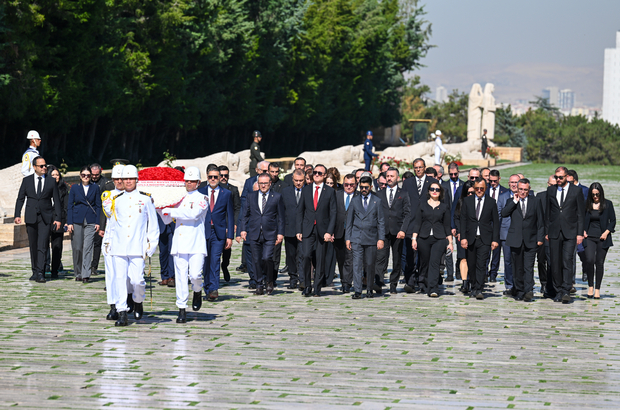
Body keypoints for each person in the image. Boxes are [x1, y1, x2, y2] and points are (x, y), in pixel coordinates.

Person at [109, 165, 159, 326]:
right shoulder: (116, 200)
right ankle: (122, 311)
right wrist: (109, 242)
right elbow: (113, 224)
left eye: (131, 178)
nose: (128, 181)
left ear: (137, 180)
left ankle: (138, 300)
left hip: (138, 247)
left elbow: (153, 225)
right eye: (125, 179)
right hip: (119, 246)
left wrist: (151, 245)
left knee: (137, 280)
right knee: (120, 280)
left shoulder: (145, 199)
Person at [159, 167, 209, 323]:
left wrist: (170, 211)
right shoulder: (178, 198)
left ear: (198, 182)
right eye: (187, 181)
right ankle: (181, 308)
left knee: (195, 275)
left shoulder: (203, 198)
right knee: (180, 277)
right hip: (180, 242)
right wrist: (160, 207)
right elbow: (166, 220)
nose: (189, 183)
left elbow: (192, 215)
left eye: (192, 181)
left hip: (196, 242)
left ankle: (197, 290)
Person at [14, 156, 61, 283]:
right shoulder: (27, 181)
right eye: (41, 166)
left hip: (46, 218)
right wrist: (17, 214)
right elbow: (20, 198)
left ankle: (41, 272)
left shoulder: (51, 181)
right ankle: (34, 271)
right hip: (31, 216)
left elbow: (56, 201)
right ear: (34, 167)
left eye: (45, 165)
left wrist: (58, 218)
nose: (44, 168)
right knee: (33, 245)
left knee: (42, 245)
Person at [239, 173, 285, 294]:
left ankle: (269, 280)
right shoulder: (251, 196)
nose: (263, 186)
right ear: (258, 184)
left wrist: (280, 233)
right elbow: (245, 214)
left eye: (265, 183)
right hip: (254, 232)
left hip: (270, 233)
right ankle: (259, 284)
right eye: (261, 183)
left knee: (266, 258)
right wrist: (243, 229)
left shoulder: (277, 196)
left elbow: (281, 217)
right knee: (256, 259)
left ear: (270, 183)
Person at [544, 166, 584, 304]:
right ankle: (558, 291)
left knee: (567, 260)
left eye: (561, 177)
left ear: (566, 177)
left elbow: (580, 214)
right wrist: (546, 231)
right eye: (556, 177)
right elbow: (548, 213)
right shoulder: (551, 190)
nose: (558, 179)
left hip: (570, 232)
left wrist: (580, 233)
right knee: (555, 262)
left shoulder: (576, 191)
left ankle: (566, 290)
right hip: (554, 232)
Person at [501, 179, 544, 302]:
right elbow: (504, 213)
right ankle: (519, 290)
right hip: (516, 240)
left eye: (525, 190)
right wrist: (514, 201)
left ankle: (528, 290)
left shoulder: (535, 201)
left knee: (528, 267)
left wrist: (540, 238)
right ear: (517, 189)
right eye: (520, 189)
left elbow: (540, 222)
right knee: (517, 267)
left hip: (531, 239)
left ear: (529, 190)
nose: (523, 192)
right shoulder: (511, 201)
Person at [296, 164, 337, 297]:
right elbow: (300, 211)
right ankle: (307, 285)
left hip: (322, 230)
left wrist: (329, 232)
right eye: (315, 172)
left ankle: (317, 287)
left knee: (320, 259)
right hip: (308, 229)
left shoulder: (329, 191)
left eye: (320, 173)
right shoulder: (306, 190)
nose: (317, 175)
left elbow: (333, 213)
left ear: (325, 175)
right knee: (306, 255)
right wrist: (299, 229)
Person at [101, 164, 132, 320]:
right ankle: (114, 306)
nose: (119, 181)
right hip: (112, 240)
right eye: (117, 179)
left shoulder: (134, 195)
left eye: (122, 178)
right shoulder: (108, 195)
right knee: (112, 276)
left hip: (129, 239)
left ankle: (130, 300)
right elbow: (108, 212)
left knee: (129, 275)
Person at [198, 165, 234, 302]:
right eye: (210, 177)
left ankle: (213, 288)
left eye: (215, 177)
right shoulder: (200, 192)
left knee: (215, 260)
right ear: (207, 178)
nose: (213, 179)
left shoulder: (226, 193)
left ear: (220, 178)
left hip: (218, 232)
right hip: (203, 231)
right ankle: (206, 287)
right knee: (205, 261)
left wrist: (230, 236)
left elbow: (230, 216)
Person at [346, 176, 385, 299]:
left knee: (370, 264)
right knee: (356, 264)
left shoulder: (377, 201)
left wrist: (381, 238)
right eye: (361, 187)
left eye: (366, 187)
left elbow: (381, 221)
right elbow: (349, 221)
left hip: (372, 237)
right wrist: (348, 238)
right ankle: (358, 290)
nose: (363, 189)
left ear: (371, 187)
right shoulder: (355, 200)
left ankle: (369, 289)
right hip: (357, 236)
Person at [402, 158, 437, 292]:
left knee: (424, 255)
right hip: (410, 223)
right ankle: (410, 282)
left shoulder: (432, 182)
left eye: (420, 167)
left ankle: (423, 282)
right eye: (415, 167)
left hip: (426, 224)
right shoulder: (408, 183)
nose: (418, 170)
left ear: (424, 167)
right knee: (410, 255)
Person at [460, 178, 499, 300]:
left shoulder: (491, 202)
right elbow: (463, 220)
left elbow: (496, 222)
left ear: (485, 188)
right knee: (471, 264)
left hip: (485, 238)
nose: (479, 191)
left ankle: (479, 289)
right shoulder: (467, 201)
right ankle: (473, 285)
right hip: (471, 238)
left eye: (482, 188)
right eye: (477, 188)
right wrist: (463, 237)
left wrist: (495, 239)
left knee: (481, 264)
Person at [412, 182, 453, 297]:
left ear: (441, 192)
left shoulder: (444, 207)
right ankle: (424, 285)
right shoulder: (422, 205)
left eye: (437, 189)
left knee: (434, 263)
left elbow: (447, 226)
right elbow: (417, 223)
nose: (434, 191)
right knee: (424, 263)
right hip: (423, 238)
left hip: (439, 239)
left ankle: (433, 289)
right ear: (429, 191)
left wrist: (450, 242)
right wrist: (414, 238)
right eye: (432, 189)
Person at [376, 167, 411, 294]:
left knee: (397, 260)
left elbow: (408, 213)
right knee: (380, 258)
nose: (389, 178)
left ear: (397, 178)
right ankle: (378, 283)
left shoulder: (404, 194)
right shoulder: (379, 194)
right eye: (388, 176)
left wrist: (403, 230)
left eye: (392, 176)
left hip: (398, 232)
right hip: (383, 232)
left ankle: (393, 284)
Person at [67, 166, 102, 283]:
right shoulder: (74, 188)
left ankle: (86, 274)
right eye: (83, 175)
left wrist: (98, 222)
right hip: (77, 219)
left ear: (91, 176)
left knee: (88, 247)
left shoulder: (95, 188)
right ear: (80, 176)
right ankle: (78, 272)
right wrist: (69, 222)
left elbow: (98, 206)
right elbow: (70, 206)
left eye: (88, 175)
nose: (86, 177)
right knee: (77, 248)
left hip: (91, 220)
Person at [237, 161, 269, 287]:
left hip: (266, 227)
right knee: (250, 254)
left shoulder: (270, 186)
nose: (266, 172)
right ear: (257, 170)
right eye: (263, 170)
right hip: (251, 225)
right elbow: (243, 207)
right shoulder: (249, 183)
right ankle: (253, 278)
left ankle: (264, 277)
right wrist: (241, 228)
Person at [583, 183, 615, 299]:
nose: (595, 196)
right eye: (593, 194)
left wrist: (606, 232)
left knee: (599, 263)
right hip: (589, 237)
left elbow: (613, 221)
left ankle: (597, 289)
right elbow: (580, 219)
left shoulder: (608, 204)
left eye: (597, 194)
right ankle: (590, 286)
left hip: (603, 237)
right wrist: (583, 231)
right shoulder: (586, 205)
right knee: (589, 260)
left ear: (601, 193)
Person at [495, 174, 520, 291]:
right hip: (506, 233)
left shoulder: (525, 195)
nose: (514, 184)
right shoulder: (502, 197)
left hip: (520, 233)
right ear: (508, 184)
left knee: (519, 261)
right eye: (512, 182)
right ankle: (509, 285)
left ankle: (519, 284)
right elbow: (499, 216)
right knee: (508, 261)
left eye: (516, 182)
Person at [281, 169, 305, 289]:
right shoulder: (285, 192)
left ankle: (302, 279)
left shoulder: (308, 191)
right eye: (296, 180)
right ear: (292, 179)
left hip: (304, 229)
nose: (298, 183)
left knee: (302, 255)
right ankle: (293, 278)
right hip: (289, 228)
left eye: (301, 180)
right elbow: (281, 211)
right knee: (290, 255)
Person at [333, 174, 357, 293]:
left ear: (355, 185)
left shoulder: (358, 196)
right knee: (341, 258)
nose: (349, 187)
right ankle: (344, 279)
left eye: (351, 185)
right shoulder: (336, 195)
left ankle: (347, 283)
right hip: (338, 232)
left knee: (350, 258)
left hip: (353, 233)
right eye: (346, 184)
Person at [90, 163, 115, 277]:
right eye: (92, 174)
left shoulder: (106, 183)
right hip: (89, 214)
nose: (94, 177)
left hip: (100, 215)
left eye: (96, 175)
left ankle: (94, 266)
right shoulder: (87, 181)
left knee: (97, 242)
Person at [46, 165, 69, 279]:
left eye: (57, 175)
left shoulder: (63, 188)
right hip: (46, 220)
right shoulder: (44, 187)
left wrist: (64, 220)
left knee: (57, 246)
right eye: (53, 175)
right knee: (44, 245)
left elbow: (66, 206)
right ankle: (45, 267)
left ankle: (55, 269)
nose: (55, 177)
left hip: (59, 219)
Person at [218, 165, 241, 282]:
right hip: (216, 223)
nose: (223, 178)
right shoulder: (213, 189)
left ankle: (225, 266)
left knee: (227, 249)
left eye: (225, 176)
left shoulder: (233, 189)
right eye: (221, 175)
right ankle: (215, 272)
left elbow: (237, 208)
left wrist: (236, 223)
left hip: (228, 223)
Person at [453, 180, 476, 293]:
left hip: (474, 233)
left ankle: (473, 281)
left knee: (473, 258)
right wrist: (459, 232)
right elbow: (456, 217)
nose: (470, 195)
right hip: (462, 234)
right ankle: (465, 282)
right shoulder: (461, 202)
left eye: (472, 193)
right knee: (463, 258)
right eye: (468, 193)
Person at [536, 176, 555, 293]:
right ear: (547, 184)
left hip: (555, 234)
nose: (552, 187)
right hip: (542, 234)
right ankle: (543, 283)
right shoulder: (540, 196)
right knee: (541, 260)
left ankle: (551, 284)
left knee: (553, 261)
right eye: (550, 185)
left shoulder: (560, 198)